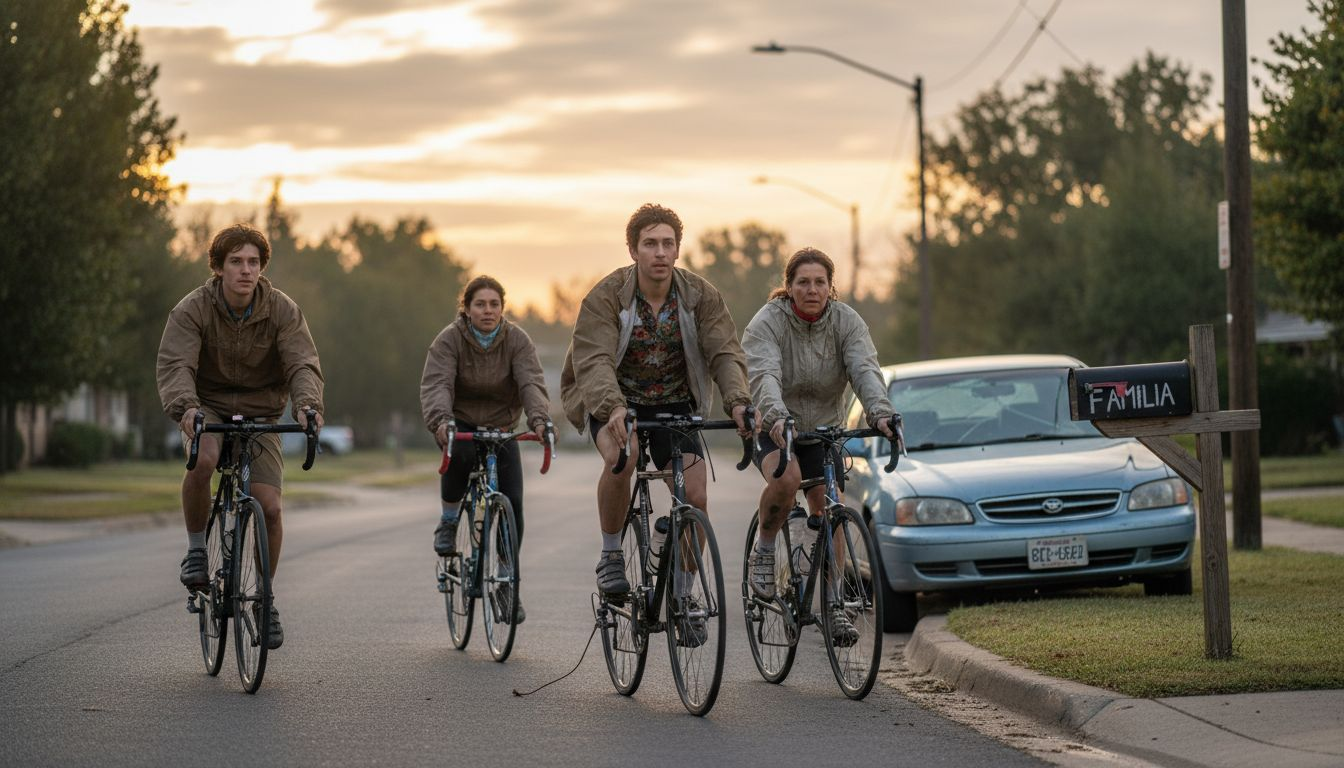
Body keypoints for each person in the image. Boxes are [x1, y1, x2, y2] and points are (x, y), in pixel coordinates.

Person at [560, 203, 752, 602]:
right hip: (611, 401)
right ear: (633, 251)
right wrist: (613, 407)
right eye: (650, 244)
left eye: (668, 243)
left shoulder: (701, 295)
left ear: (678, 250)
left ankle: (682, 595)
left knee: (696, 497)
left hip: (674, 406)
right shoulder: (606, 295)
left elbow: (724, 353)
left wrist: (737, 401)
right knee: (623, 457)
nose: (660, 252)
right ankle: (611, 554)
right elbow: (593, 360)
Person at [157, 223, 324, 650]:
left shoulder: (283, 310)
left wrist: (307, 406)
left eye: (253, 262)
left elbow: (302, 363)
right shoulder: (192, 309)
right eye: (236, 262)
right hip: (206, 406)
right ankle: (197, 548)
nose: (245, 271)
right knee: (205, 459)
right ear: (218, 268)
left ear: (261, 267)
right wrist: (186, 409)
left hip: (262, 411)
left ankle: (263, 596)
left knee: (269, 507)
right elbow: (176, 365)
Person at [740, 247, 896, 642]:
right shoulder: (768, 322)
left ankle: (833, 605)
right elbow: (763, 375)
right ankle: (765, 547)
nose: (812, 289)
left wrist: (880, 412)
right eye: (803, 282)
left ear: (830, 286)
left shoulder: (847, 321)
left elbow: (864, 368)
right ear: (789, 287)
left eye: (820, 282)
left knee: (832, 506)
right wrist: (775, 417)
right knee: (787, 477)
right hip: (777, 425)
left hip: (825, 429)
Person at [420, 275, 551, 624]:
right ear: (466, 309)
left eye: (494, 304)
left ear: (502, 309)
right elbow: (437, 384)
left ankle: (506, 580)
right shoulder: (449, 340)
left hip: (501, 427)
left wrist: (539, 420)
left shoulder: (517, 340)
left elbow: (531, 382)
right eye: (480, 304)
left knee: (514, 500)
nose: (488, 310)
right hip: (460, 423)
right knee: (459, 458)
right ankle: (448, 522)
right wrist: (441, 421)